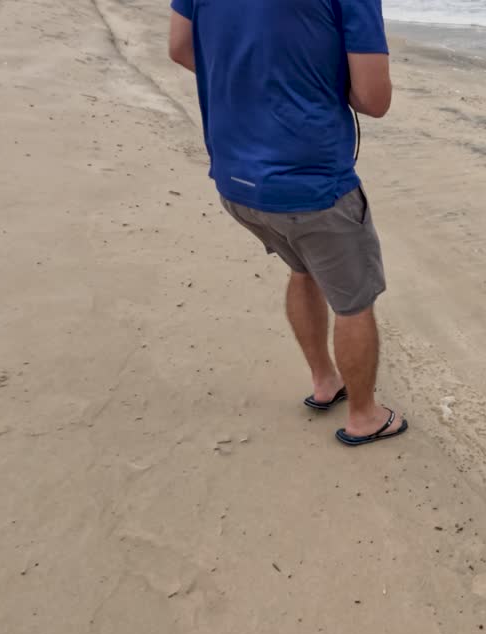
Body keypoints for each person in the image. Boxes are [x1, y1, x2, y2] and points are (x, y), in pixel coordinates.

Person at [168, 0, 407, 446]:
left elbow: (181, 48)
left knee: (304, 268)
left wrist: (254, 82)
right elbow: (373, 99)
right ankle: (364, 416)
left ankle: (324, 381)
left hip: (235, 180)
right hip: (312, 185)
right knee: (353, 300)